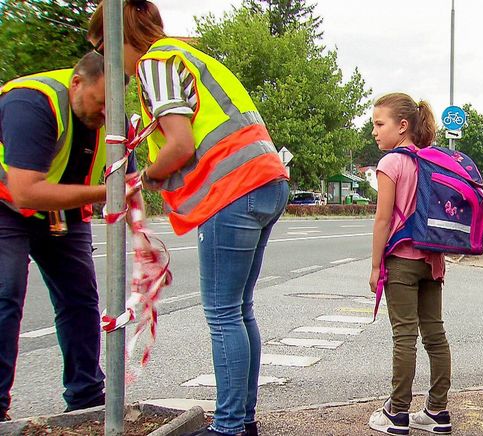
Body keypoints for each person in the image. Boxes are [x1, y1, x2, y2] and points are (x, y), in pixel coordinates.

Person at [88, 2, 289, 435]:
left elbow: (179, 144)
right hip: (265, 181)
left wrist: (144, 176)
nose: (111, 63)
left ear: (117, 37)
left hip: (231, 190)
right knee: (239, 310)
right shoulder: (189, 56)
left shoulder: (155, 62)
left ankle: (230, 427)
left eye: (105, 48)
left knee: (222, 314)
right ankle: (243, 421)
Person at [0, 51, 135, 419]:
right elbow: (26, 190)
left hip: (62, 212)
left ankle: (87, 397)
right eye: (100, 103)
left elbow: (129, 179)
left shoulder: (114, 115)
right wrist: (105, 193)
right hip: (6, 205)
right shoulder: (32, 101)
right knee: (5, 293)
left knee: (80, 300)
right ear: (77, 83)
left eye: (113, 107)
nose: (106, 115)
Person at [368, 93, 452, 435]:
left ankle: (397, 413)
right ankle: (437, 411)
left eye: (379, 124)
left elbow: (382, 220)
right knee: (435, 334)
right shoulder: (432, 161)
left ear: (402, 126)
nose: (374, 132)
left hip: (401, 260)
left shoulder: (392, 163)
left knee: (404, 336)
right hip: (433, 260)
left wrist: (376, 267)